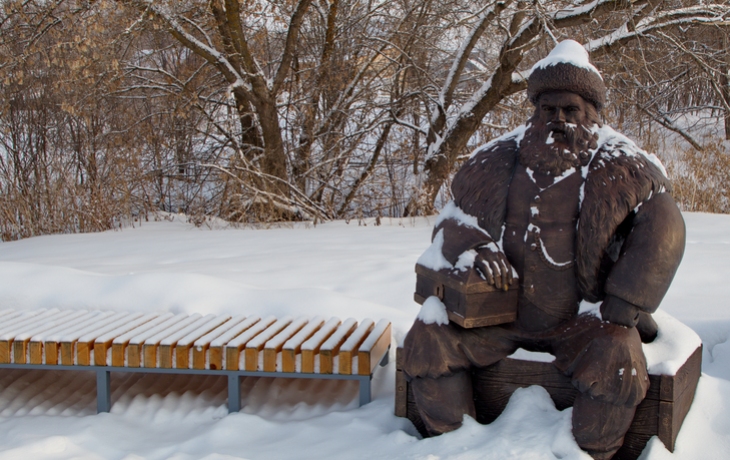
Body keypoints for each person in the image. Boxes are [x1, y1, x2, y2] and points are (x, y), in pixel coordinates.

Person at [402, 40, 686, 460]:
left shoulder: (622, 165)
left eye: (571, 110)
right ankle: (453, 444)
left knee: (617, 356)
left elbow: (665, 227)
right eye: (548, 109)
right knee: (429, 336)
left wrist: (627, 299)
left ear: (591, 114)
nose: (559, 120)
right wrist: (476, 245)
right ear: (534, 112)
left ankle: (589, 454)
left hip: (581, 321)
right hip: (498, 316)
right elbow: (453, 219)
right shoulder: (496, 160)